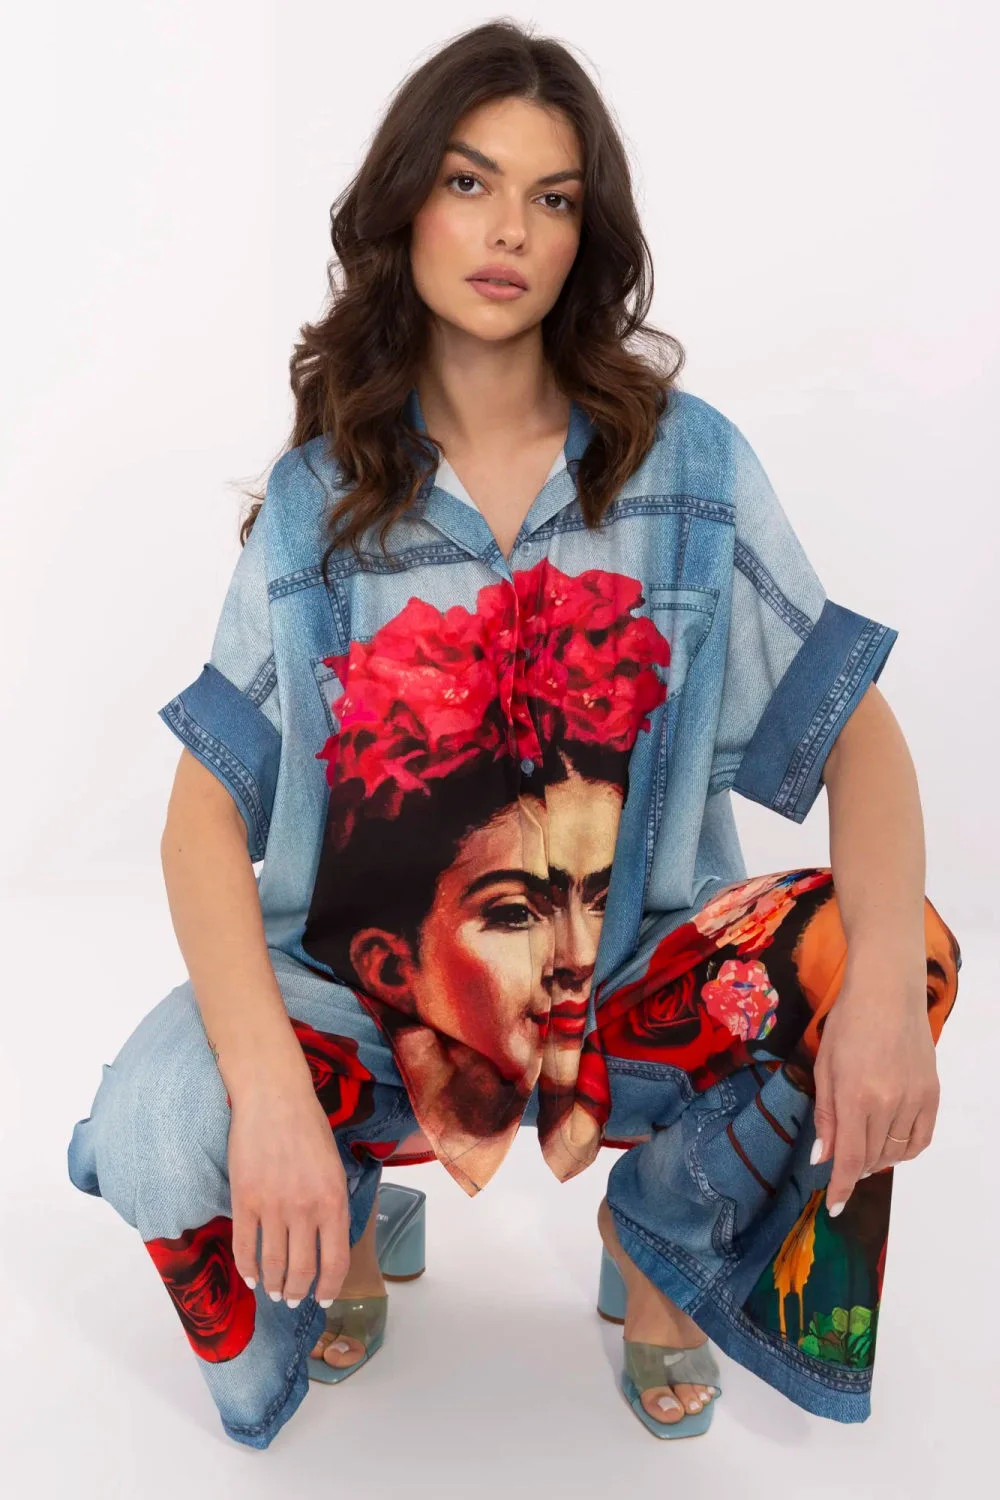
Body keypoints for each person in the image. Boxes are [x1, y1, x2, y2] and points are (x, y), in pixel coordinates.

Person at [65, 18, 961, 1450]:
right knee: (160, 1126)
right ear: (406, 208)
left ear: (584, 238)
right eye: (470, 183)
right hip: (364, 998)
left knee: (894, 950)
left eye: (553, 198)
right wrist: (270, 1094)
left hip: (632, 980)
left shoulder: (687, 466)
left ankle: (662, 1248)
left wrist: (878, 1010)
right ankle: (349, 1214)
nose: (509, 231)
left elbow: (859, 736)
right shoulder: (318, 504)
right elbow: (200, 816)